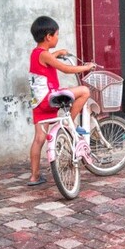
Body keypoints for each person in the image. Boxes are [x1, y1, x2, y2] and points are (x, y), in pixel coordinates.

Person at [28, 15, 94, 187]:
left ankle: (34, 176)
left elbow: (48, 58)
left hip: (38, 103)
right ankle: (68, 124)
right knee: (84, 91)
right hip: (50, 98)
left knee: (39, 139)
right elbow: (65, 69)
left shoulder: (37, 54)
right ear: (48, 36)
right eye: (57, 35)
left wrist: (58, 52)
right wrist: (86, 67)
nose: (58, 37)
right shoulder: (46, 56)